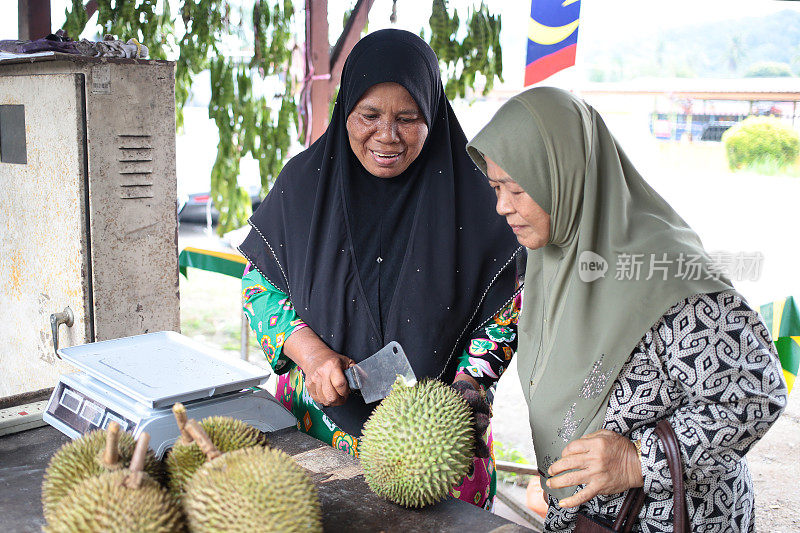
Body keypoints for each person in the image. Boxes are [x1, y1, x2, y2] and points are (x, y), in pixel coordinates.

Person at [466, 87, 787, 531]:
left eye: (518, 189)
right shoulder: (550, 257)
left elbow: (755, 393)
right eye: (496, 187)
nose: (503, 206)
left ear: (565, 176)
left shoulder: (667, 274)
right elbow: (511, 335)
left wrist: (637, 460)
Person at [238, 29, 523, 509]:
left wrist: (466, 389)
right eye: (369, 115)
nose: (387, 136)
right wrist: (311, 355)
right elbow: (259, 287)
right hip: (319, 436)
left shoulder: (479, 201)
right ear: (346, 109)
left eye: (408, 118)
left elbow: (504, 311)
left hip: (435, 453)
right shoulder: (305, 185)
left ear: (432, 113)